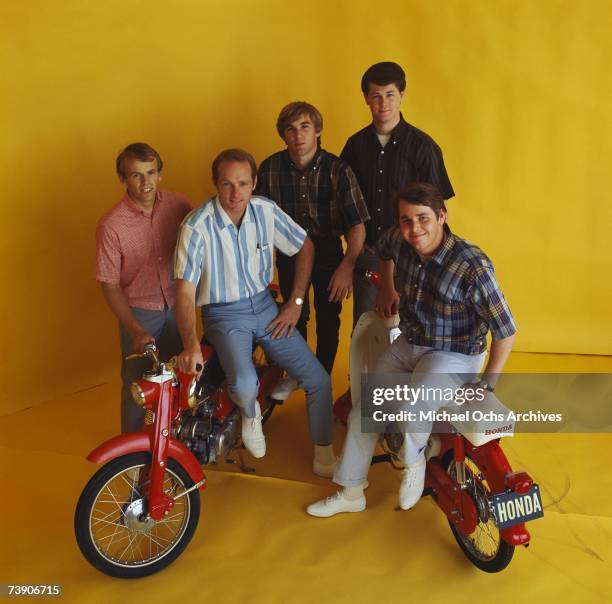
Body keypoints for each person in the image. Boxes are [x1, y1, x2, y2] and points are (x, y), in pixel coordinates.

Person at [306, 182, 517, 516]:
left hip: (455, 353)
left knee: (411, 410)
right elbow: (385, 253)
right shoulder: (399, 239)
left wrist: (486, 385)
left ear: (441, 217)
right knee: (366, 408)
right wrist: (388, 288)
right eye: (406, 220)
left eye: (423, 218)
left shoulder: (472, 266)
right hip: (410, 342)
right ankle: (351, 491)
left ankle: (414, 464)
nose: (414, 228)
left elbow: (505, 332)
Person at [174, 148, 336, 477]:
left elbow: (305, 246)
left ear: (254, 183)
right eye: (227, 184)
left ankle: (324, 447)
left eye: (243, 184)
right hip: (224, 315)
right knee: (245, 385)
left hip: (265, 307)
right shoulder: (196, 226)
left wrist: (296, 302)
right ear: (215, 183)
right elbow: (185, 292)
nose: (236, 194)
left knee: (318, 379)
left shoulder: (265, 210)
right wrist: (191, 344)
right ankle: (250, 415)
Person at [334, 60, 456, 414]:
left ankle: (413, 398)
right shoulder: (355, 146)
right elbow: (344, 203)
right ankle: (360, 393)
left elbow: (436, 211)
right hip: (370, 253)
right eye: (375, 96)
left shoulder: (423, 147)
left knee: (414, 327)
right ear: (366, 100)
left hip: (414, 258)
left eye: (390, 95)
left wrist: (433, 261)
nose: (383, 103)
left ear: (402, 96)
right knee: (367, 327)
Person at [256, 102, 369, 399]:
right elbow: (256, 220)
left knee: (329, 318)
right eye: (290, 129)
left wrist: (348, 266)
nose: (298, 135)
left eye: (305, 126)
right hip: (289, 254)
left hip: (331, 252)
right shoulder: (269, 169)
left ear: (318, 130)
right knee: (295, 313)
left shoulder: (339, 170)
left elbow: (357, 225)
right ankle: (297, 372)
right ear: (283, 135)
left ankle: (320, 378)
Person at [96, 142, 193, 433]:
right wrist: (136, 329)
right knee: (137, 387)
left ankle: (176, 445)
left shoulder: (180, 205)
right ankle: (134, 459)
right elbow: (110, 285)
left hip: (180, 306)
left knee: (181, 380)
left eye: (151, 172)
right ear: (123, 179)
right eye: (136, 175)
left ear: (160, 173)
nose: (145, 181)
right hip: (139, 313)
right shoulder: (111, 225)